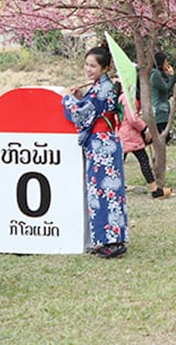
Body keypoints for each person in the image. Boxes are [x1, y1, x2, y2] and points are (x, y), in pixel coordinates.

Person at [62, 46, 129, 258]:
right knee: (104, 192)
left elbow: (83, 113)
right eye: (86, 65)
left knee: (104, 192)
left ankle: (111, 241)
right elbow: (92, 106)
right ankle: (106, 239)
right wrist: (80, 95)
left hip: (102, 144)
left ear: (105, 68)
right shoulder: (102, 86)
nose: (88, 69)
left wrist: (67, 99)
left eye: (93, 66)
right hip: (104, 143)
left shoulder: (103, 88)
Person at [118, 90, 173, 199]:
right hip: (130, 134)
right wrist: (145, 129)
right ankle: (155, 190)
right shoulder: (128, 97)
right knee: (143, 160)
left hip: (123, 132)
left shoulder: (121, 96)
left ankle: (118, 186)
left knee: (119, 162)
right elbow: (133, 119)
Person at [150, 51, 176, 139]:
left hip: (162, 109)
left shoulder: (159, 74)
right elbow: (166, 88)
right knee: (164, 136)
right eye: (165, 61)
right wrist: (172, 76)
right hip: (159, 111)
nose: (167, 64)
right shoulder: (155, 75)